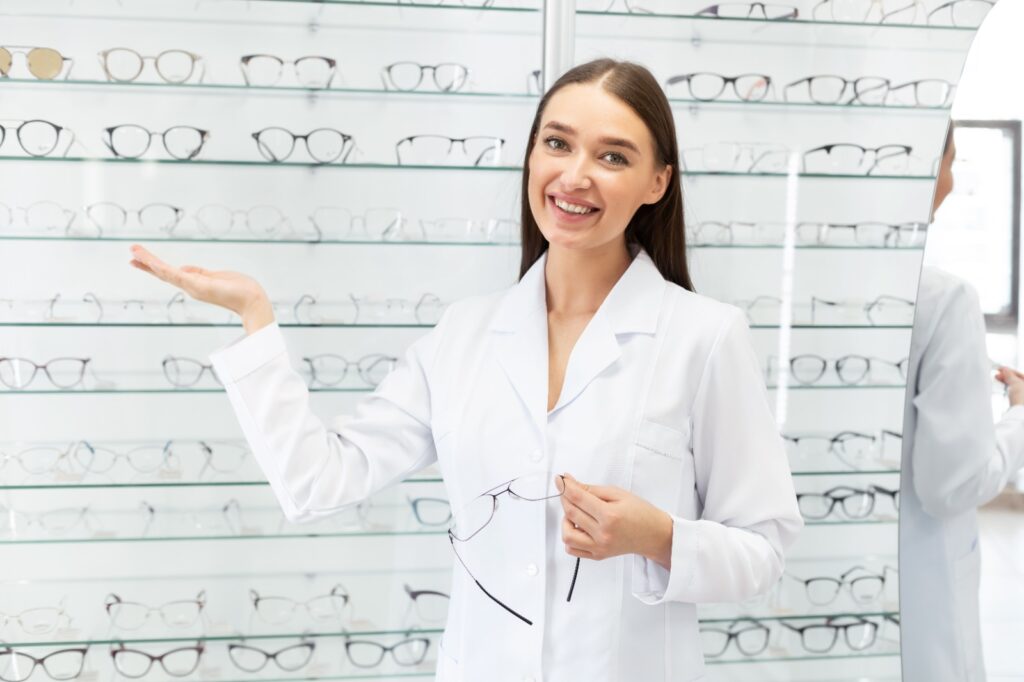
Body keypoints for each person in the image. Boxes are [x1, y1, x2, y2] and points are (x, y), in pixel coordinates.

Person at [129, 58, 802, 681]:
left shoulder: (703, 338)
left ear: (657, 182)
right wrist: (254, 319)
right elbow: (315, 481)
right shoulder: (463, 335)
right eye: (558, 144)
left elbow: (763, 551)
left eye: (613, 156)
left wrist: (657, 536)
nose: (574, 175)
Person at [900, 125, 1024, 682]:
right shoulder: (945, 299)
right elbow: (952, 484)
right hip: (918, 604)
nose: (951, 181)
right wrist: (1019, 417)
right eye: (952, 161)